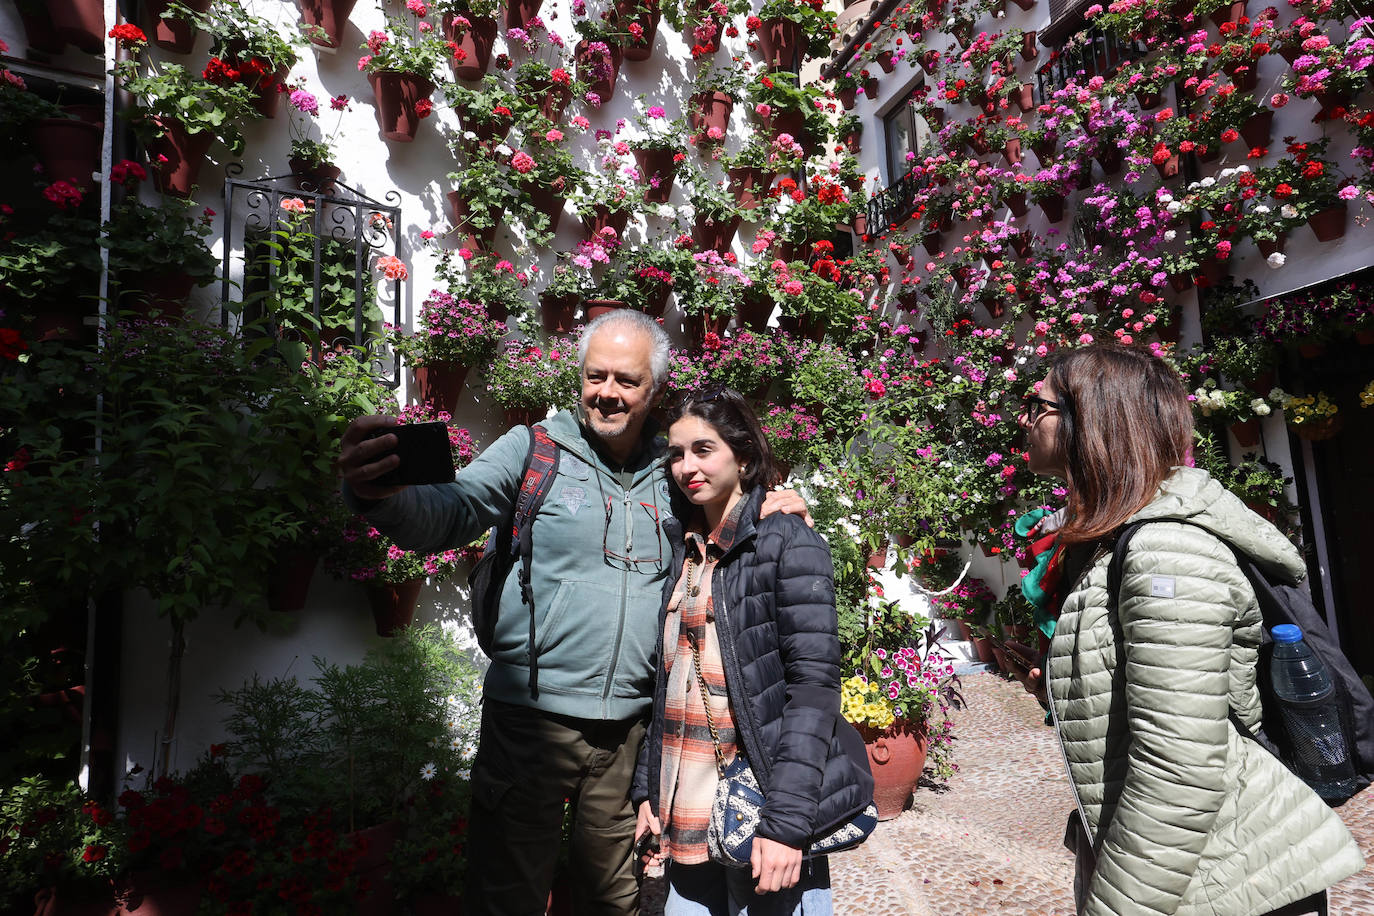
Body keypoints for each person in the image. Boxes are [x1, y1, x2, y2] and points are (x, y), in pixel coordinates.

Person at [337, 311, 806, 915]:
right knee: (507, 895)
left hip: (629, 734)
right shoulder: (533, 450)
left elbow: (730, 525)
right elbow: (450, 511)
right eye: (596, 375)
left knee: (613, 900)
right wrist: (376, 491)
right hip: (529, 724)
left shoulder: (674, 469)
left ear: (653, 390)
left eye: (627, 381)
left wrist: (778, 510)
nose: (607, 392)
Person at [1012, 343, 1364, 916]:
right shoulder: (1108, 542)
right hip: (1183, 873)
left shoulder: (1166, 552)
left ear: (1092, 420)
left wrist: (1118, 907)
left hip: (1230, 880)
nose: (1024, 419)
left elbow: (1177, 764)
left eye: (1037, 404)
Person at [632, 388, 867, 915]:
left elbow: (813, 693)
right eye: (675, 454)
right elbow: (670, 683)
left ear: (742, 457)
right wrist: (647, 789)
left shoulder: (786, 541)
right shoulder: (683, 549)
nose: (685, 466)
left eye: (703, 449)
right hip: (687, 809)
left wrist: (786, 826)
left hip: (761, 811)